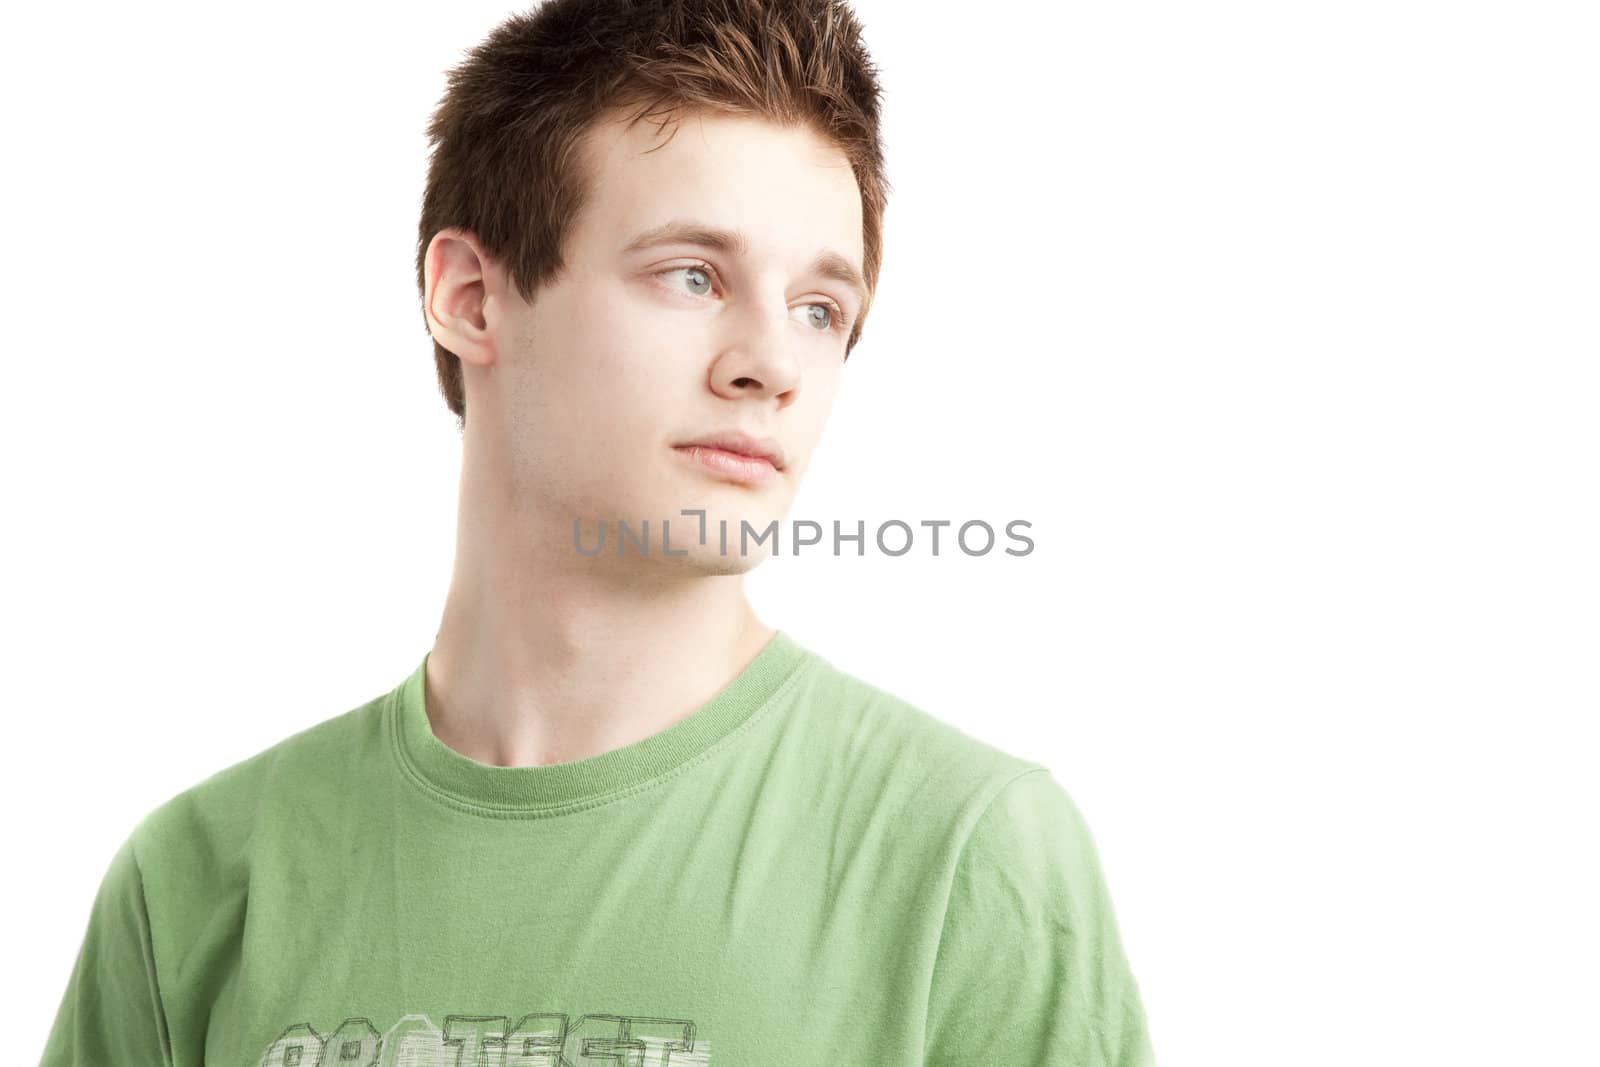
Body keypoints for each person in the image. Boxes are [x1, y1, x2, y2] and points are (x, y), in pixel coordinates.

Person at [39, 0, 1156, 1063]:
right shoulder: (193, 881)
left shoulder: (965, 855)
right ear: (471, 296)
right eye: (691, 274)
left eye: (821, 308)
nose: (770, 362)